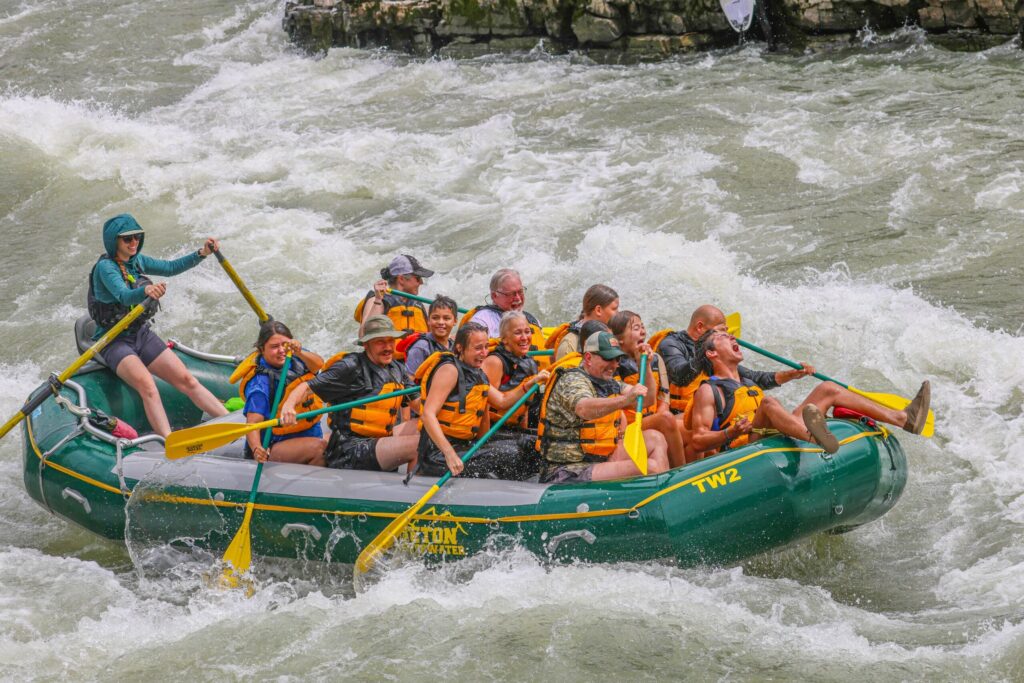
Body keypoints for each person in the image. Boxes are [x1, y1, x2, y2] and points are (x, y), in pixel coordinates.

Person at [87, 213, 228, 437]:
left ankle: (232, 424)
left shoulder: (136, 261)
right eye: (127, 239)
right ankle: (169, 441)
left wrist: (202, 253)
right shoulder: (105, 268)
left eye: (137, 237)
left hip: (140, 335)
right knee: (149, 387)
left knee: (187, 380)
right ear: (114, 241)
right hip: (114, 341)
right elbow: (123, 295)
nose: (134, 242)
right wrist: (145, 290)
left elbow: (170, 268)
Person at [686, 330, 932, 457]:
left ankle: (903, 418)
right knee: (769, 404)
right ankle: (816, 439)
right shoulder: (708, 390)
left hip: (774, 432)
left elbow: (771, 378)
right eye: (723, 336)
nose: (731, 336)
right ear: (712, 353)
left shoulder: (747, 380)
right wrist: (731, 432)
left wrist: (796, 373)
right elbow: (698, 440)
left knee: (828, 389)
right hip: (747, 447)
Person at [279, 316, 419, 472]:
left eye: (391, 341)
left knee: (424, 426)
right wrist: (289, 405)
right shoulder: (350, 366)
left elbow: (418, 404)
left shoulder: (397, 368)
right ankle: (412, 485)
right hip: (350, 450)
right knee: (417, 446)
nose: (388, 347)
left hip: (380, 440)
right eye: (380, 342)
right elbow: (307, 386)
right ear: (366, 344)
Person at [416, 322, 548, 480]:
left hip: (464, 446)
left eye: (486, 347)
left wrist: (530, 383)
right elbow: (428, 414)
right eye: (478, 348)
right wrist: (449, 454)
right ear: (460, 348)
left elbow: (502, 400)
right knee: (511, 454)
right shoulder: (449, 370)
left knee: (532, 445)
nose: (484, 353)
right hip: (437, 454)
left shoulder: (477, 373)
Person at [535, 332, 670, 483]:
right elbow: (583, 408)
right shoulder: (572, 380)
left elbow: (647, 400)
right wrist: (625, 400)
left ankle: (665, 491)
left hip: (600, 460)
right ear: (588, 358)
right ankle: (662, 490)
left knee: (655, 438)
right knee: (651, 468)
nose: (614, 365)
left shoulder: (609, 382)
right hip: (567, 470)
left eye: (617, 359)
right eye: (608, 358)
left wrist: (645, 365)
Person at [654, 304, 813, 416]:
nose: (727, 336)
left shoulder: (714, 351)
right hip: (681, 415)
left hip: (715, 412)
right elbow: (680, 376)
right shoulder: (671, 343)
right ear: (700, 327)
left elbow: (755, 378)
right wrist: (707, 352)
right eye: (721, 331)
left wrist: (792, 374)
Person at [237, 321, 326, 466]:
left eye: (284, 344)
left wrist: (299, 351)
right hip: (275, 445)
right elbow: (253, 423)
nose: (281, 350)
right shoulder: (260, 383)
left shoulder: (295, 355)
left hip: (308, 433)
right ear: (262, 349)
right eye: (274, 347)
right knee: (321, 449)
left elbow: (318, 365)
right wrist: (256, 449)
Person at [610, 310, 687, 468]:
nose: (643, 332)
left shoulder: (656, 359)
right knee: (666, 419)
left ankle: (704, 468)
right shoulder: (614, 365)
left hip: (655, 417)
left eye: (643, 327)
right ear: (620, 339)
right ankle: (681, 471)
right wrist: (662, 419)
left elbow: (664, 397)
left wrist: (660, 417)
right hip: (631, 424)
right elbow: (625, 401)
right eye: (636, 328)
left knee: (691, 419)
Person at [481, 311, 543, 431]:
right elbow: (483, 406)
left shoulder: (527, 362)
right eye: (517, 333)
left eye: (527, 331)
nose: (524, 338)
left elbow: (524, 406)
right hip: (492, 429)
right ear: (504, 339)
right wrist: (485, 440)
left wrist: (524, 431)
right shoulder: (495, 362)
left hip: (512, 429)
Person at [464, 268, 546, 356]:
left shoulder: (532, 320)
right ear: (494, 296)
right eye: (511, 294)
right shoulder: (482, 320)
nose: (518, 298)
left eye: (520, 292)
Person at [355, 255, 435, 336]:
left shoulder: (423, 308)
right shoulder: (376, 300)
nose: (421, 282)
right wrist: (378, 301)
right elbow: (363, 335)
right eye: (418, 278)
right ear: (401, 279)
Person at [550, 284, 620, 361]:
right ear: (598, 310)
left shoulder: (616, 335)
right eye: (614, 309)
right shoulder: (569, 345)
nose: (618, 313)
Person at [402, 295, 457, 377]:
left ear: (455, 321)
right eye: (435, 318)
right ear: (428, 320)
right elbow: (409, 378)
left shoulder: (454, 346)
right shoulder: (421, 347)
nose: (441, 322)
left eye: (446, 318)